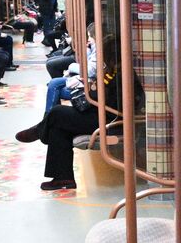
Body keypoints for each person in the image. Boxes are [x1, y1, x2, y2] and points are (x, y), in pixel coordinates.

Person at [16, 36, 139, 190]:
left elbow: (113, 102)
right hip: (100, 114)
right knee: (58, 128)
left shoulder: (123, 75)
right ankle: (63, 178)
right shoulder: (114, 70)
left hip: (109, 121)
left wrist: (93, 91)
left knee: (57, 113)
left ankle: (39, 131)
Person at [45, 24, 96, 111]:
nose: (88, 39)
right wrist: (87, 49)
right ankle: (50, 116)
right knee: (53, 82)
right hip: (85, 74)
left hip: (90, 81)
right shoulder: (94, 47)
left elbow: (90, 70)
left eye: (90, 37)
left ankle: (49, 116)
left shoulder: (99, 49)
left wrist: (71, 67)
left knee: (54, 85)